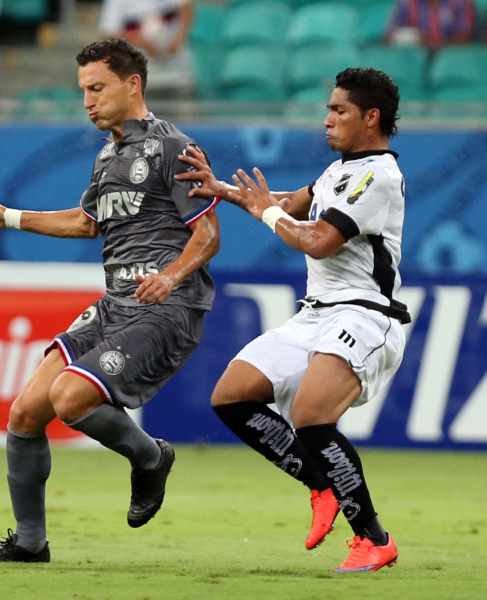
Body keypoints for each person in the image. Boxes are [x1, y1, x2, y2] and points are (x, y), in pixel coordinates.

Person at [0, 37, 220, 563]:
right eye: (83, 90)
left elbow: (209, 235)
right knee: (25, 412)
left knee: (71, 398)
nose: (87, 100)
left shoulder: (175, 147)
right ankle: (31, 543)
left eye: (97, 88)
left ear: (133, 85)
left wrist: (169, 278)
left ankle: (150, 459)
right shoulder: (108, 154)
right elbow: (87, 222)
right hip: (115, 304)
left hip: (167, 307)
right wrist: (8, 215)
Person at [177, 67, 408, 572]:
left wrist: (265, 212)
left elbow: (319, 240)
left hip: (366, 315)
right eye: (327, 109)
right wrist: (223, 189)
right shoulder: (337, 172)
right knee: (232, 396)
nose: (326, 120)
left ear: (371, 118)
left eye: (338, 110)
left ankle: (374, 539)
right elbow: (284, 205)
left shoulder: (377, 176)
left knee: (310, 416)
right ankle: (320, 484)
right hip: (316, 314)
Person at [98, 0, 194, 99]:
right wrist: (140, 42)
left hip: (178, 70)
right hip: (143, 74)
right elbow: (109, 34)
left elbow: (186, 8)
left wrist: (179, 37)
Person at [385, 0, 476, 50]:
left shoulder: (460, 3)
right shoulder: (406, 4)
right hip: (416, 60)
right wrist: (413, 37)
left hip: (449, 61)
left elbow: (463, 39)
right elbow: (388, 38)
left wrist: (432, 45)